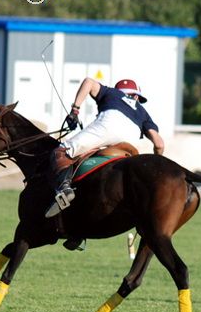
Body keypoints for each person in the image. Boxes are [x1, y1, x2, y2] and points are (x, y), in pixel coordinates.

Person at [45, 77, 165, 218]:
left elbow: (88, 82)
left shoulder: (112, 93)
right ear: (136, 96)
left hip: (108, 125)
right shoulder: (143, 112)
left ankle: (65, 189)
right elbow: (159, 144)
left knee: (62, 150)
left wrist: (75, 111)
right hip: (130, 140)